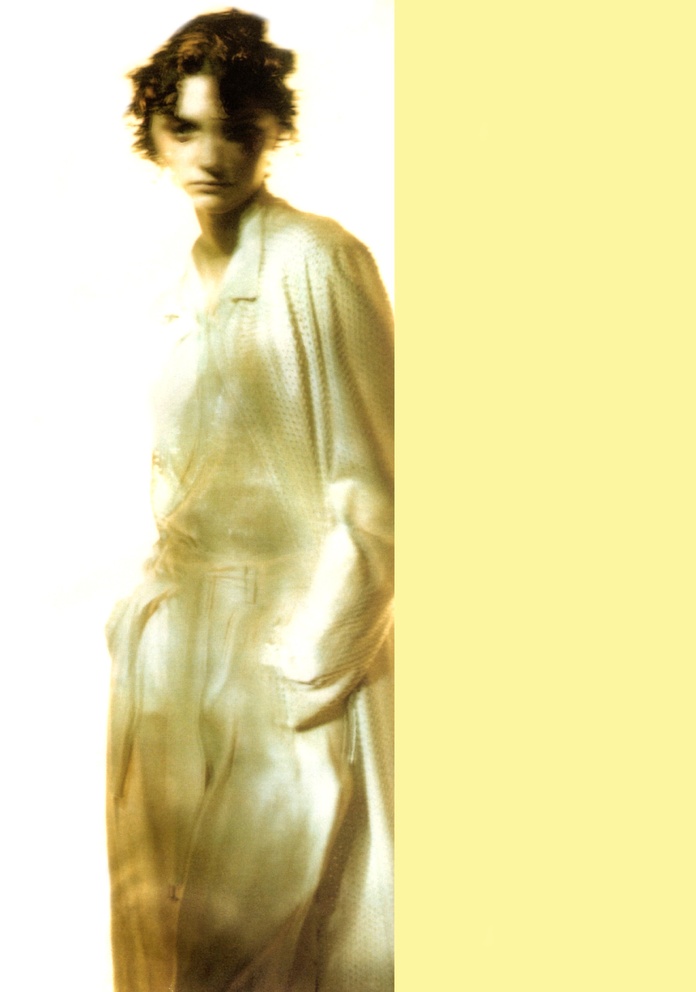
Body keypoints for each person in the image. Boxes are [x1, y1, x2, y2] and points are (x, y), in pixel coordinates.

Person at [104, 10, 394, 992]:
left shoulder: (319, 262)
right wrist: (140, 626)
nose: (211, 154)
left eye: (237, 128)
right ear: (153, 135)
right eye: (184, 128)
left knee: (284, 937)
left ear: (275, 132)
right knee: (172, 937)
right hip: (176, 661)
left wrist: (300, 665)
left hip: (290, 653)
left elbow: (373, 496)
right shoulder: (174, 292)